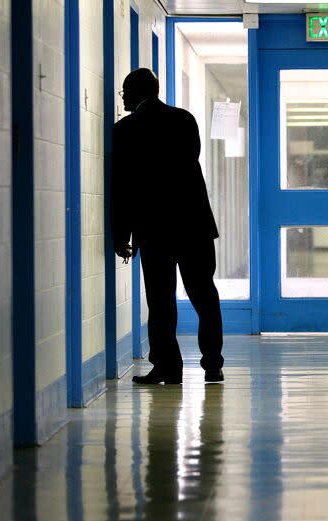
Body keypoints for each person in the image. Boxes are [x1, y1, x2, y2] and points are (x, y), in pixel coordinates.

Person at [111, 68, 224, 384]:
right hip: (194, 225)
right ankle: (213, 363)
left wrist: (121, 234)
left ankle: (168, 367)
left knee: (160, 301)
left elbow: (122, 188)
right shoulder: (184, 120)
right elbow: (190, 162)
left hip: (154, 228)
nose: (123, 98)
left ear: (135, 93)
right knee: (204, 294)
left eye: (124, 92)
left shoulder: (124, 131)